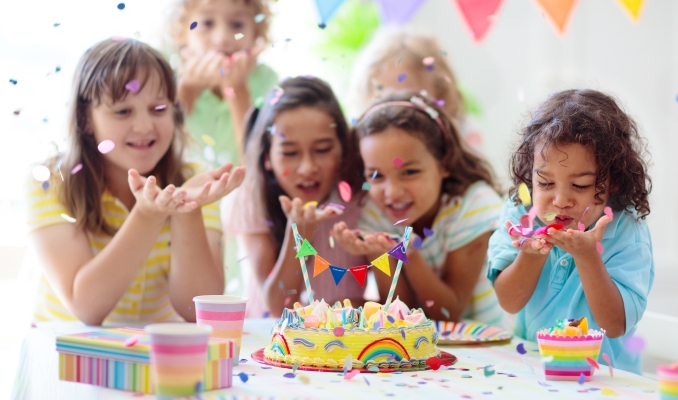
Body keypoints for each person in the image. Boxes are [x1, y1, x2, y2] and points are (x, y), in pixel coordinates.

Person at [24, 38, 244, 325]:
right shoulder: (51, 181)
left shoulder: (193, 180)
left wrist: (186, 209)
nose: (144, 127)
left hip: (154, 357)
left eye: (158, 109)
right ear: (85, 118)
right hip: (64, 355)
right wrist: (147, 215)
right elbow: (86, 306)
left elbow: (197, 311)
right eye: (123, 111)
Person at [487, 89, 654, 374]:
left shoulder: (627, 231)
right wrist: (531, 255)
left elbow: (613, 325)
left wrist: (588, 256)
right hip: (533, 369)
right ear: (530, 175)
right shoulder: (520, 215)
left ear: (613, 181)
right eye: (545, 183)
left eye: (580, 185)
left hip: (605, 379)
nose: (561, 200)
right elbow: (510, 302)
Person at [331, 91, 507, 327]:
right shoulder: (375, 213)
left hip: (487, 347)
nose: (392, 192)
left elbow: (448, 314)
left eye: (410, 172)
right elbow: (399, 315)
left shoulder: (473, 206)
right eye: (376, 175)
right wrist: (377, 252)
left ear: (444, 164)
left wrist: (409, 254)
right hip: (426, 351)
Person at [225, 77, 365, 317]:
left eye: (322, 150)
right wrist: (299, 234)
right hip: (268, 342)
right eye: (290, 152)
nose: (307, 168)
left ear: (343, 147)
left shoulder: (359, 199)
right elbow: (279, 306)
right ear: (267, 156)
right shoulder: (252, 197)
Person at [168, 0, 278, 166]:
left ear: (256, 33)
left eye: (237, 24)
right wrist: (187, 90)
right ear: (182, 32)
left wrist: (237, 90)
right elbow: (162, 152)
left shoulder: (267, 82)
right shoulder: (168, 80)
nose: (222, 38)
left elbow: (258, 165)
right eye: (207, 23)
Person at [350, 28, 483, 149]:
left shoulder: (464, 136)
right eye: (384, 105)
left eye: (410, 101)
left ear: (442, 96)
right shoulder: (368, 148)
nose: (397, 115)